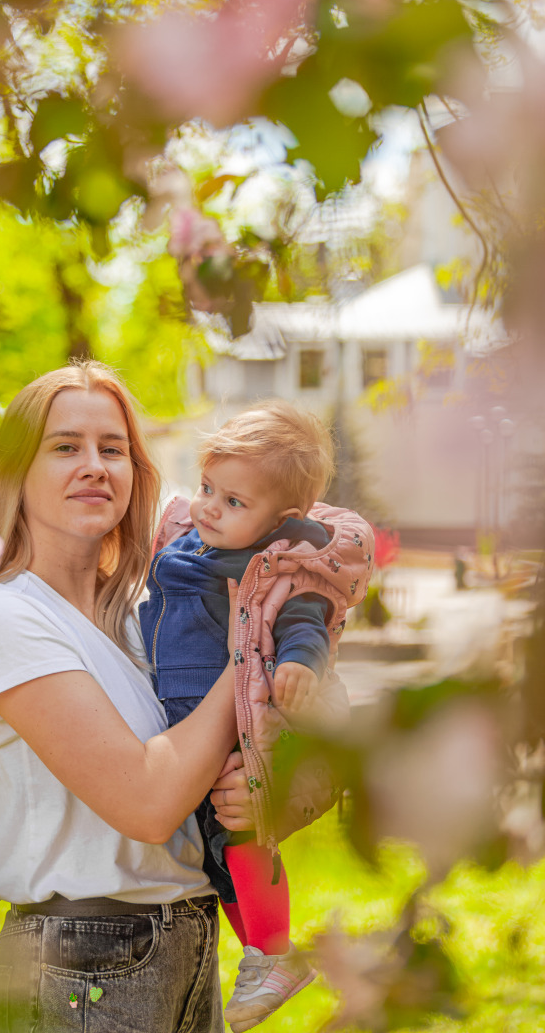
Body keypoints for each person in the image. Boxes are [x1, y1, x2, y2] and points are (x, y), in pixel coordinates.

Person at [0, 360, 253, 1033]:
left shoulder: (144, 622)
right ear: (17, 476)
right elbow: (147, 802)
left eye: (112, 449)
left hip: (184, 947)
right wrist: (247, 649)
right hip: (80, 971)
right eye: (65, 447)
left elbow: (221, 759)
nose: (94, 465)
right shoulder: (5, 621)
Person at [139, 400, 373, 1033]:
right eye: (208, 488)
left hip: (233, 737)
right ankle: (264, 955)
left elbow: (304, 626)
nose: (210, 507)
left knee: (240, 837)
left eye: (234, 502)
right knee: (220, 856)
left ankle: (272, 952)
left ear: (282, 522)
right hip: (183, 729)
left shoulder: (277, 572)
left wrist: (300, 667)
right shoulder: (189, 545)